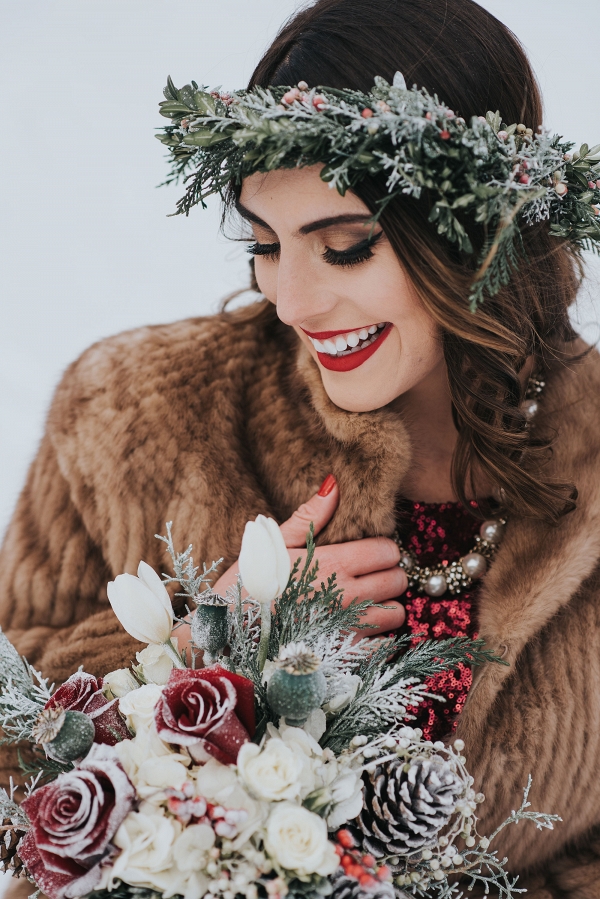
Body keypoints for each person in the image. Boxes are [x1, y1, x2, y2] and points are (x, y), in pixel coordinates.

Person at [2, 0, 600, 894]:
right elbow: (11, 745)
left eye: (347, 246)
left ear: (479, 230)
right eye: (266, 245)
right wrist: (202, 637)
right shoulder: (130, 413)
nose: (293, 302)